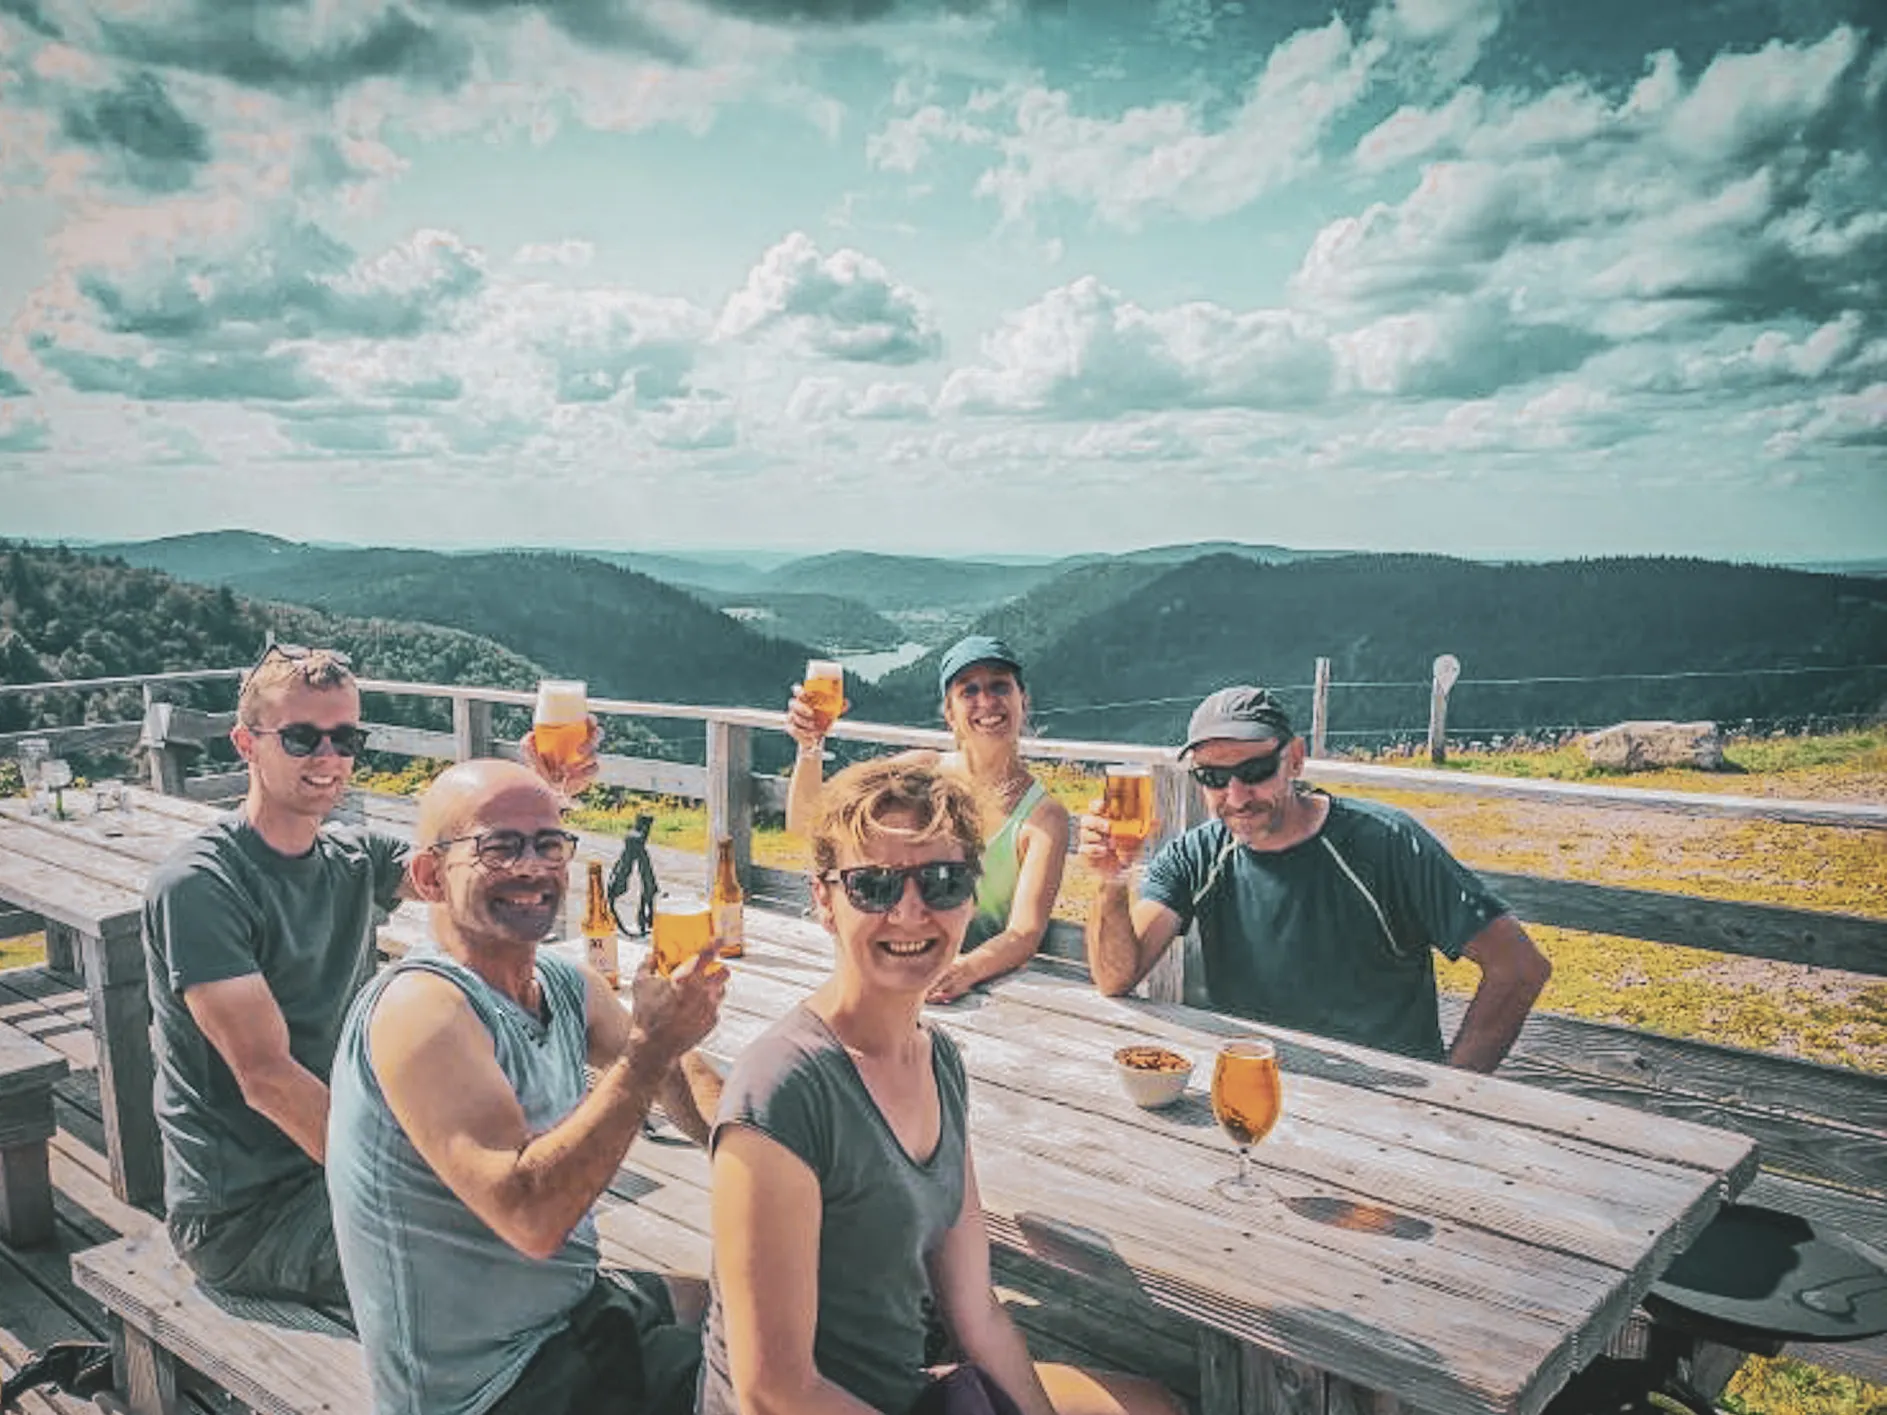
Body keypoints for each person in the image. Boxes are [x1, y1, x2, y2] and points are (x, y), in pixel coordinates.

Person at [701, 757, 1181, 1415]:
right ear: (823, 900)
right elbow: (772, 1390)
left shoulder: (939, 1061)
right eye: (872, 886)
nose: (909, 911)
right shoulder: (782, 1089)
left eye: (942, 879)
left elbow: (975, 1309)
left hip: (903, 1387)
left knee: (1154, 1404)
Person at [141, 643, 597, 1305]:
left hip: (339, 1164)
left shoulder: (351, 856)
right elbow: (267, 1079)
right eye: (301, 737)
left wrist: (538, 799)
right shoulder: (201, 885)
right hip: (247, 1216)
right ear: (247, 743)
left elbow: (468, 867)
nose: (327, 758)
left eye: (344, 737)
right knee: (509, 1248)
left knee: (541, 1226)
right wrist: (419, 1175)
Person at [327, 759, 726, 1415]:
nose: (533, 866)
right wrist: (651, 1049)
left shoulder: (562, 984)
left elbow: (673, 1069)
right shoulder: (422, 1011)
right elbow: (530, 1216)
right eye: (499, 846)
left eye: (548, 843)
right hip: (495, 1386)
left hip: (570, 1309)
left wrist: (760, 1140)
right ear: (429, 876)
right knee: (769, 1376)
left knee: (776, 1300)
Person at [1079, 686, 1551, 1072]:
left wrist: (1451, 1095)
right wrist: (1111, 880)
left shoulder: (1386, 844)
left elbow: (1519, 967)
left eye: (1256, 770)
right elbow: (1117, 977)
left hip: (1387, 1108)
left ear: (1296, 759)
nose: (1236, 795)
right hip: (1257, 1084)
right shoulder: (1196, 854)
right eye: (1213, 777)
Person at [785, 636, 1069, 1004]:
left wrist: (965, 970)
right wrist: (810, 746)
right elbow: (809, 822)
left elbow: (1024, 933)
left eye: (1000, 686)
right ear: (949, 713)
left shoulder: (1044, 817)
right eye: (969, 691)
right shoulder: (919, 771)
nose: (986, 701)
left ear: (1022, 700)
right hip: (886, 960)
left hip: (971, 993)